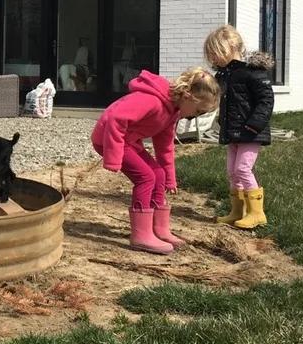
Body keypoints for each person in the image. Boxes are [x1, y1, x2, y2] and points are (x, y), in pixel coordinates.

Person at [92, 68, 220, 255]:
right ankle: (141, 235)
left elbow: (165, 146)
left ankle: (158, 228)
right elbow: (116, 118)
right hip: (108, 139)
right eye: (198, 112)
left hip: (129, 141)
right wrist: (113, 157)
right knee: (146, 177)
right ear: (187, 96)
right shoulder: (151, 100)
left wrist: (170, 179)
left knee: (158, 174)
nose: (195, 118)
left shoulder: (172, 112)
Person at [203, 24, 275, 229]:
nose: (213, 59)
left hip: (251, 132)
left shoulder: (252, 73)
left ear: (232, 46)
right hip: (233, 131)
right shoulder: (222, 76)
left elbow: (266, 100)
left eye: (216, 53)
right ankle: (237, 211)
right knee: (232, 171)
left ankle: (257, 213)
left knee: (243, 168)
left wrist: (254, 125)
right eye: (211, 55)